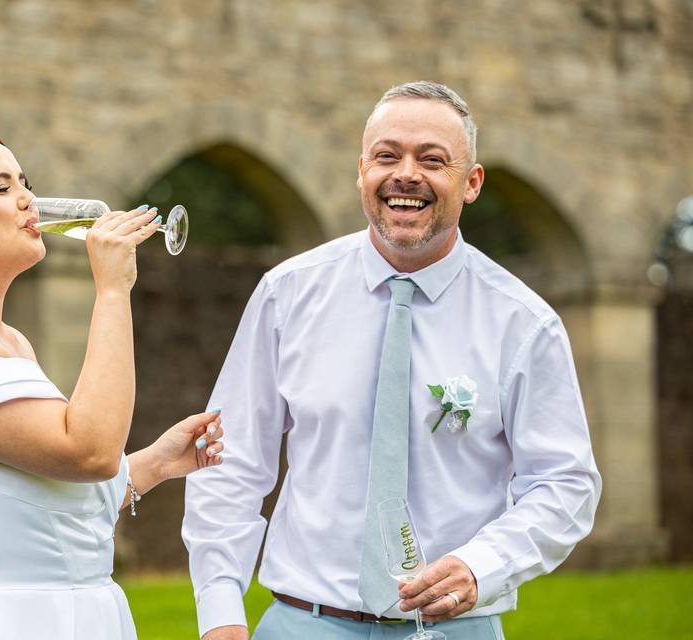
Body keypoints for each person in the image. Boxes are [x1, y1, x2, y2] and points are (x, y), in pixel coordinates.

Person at [182, 81, 601, 640]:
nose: (406, 175)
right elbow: (228, 460)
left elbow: (565, 483)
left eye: (432, 160)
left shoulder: (523, 323)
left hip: (455, 628)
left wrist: (484, 565)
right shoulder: (288, 294)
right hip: (302, 622)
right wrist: (220, 610)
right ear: (362, 172)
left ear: (470, 182)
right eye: (387, 156)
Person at [0, 130, 224, 640]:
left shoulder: (10, 342)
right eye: (1, 188)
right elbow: (89, 451)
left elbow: (42, 503)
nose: (30, 199)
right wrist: (113, 292)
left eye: (24, 182)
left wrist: (155, 462)